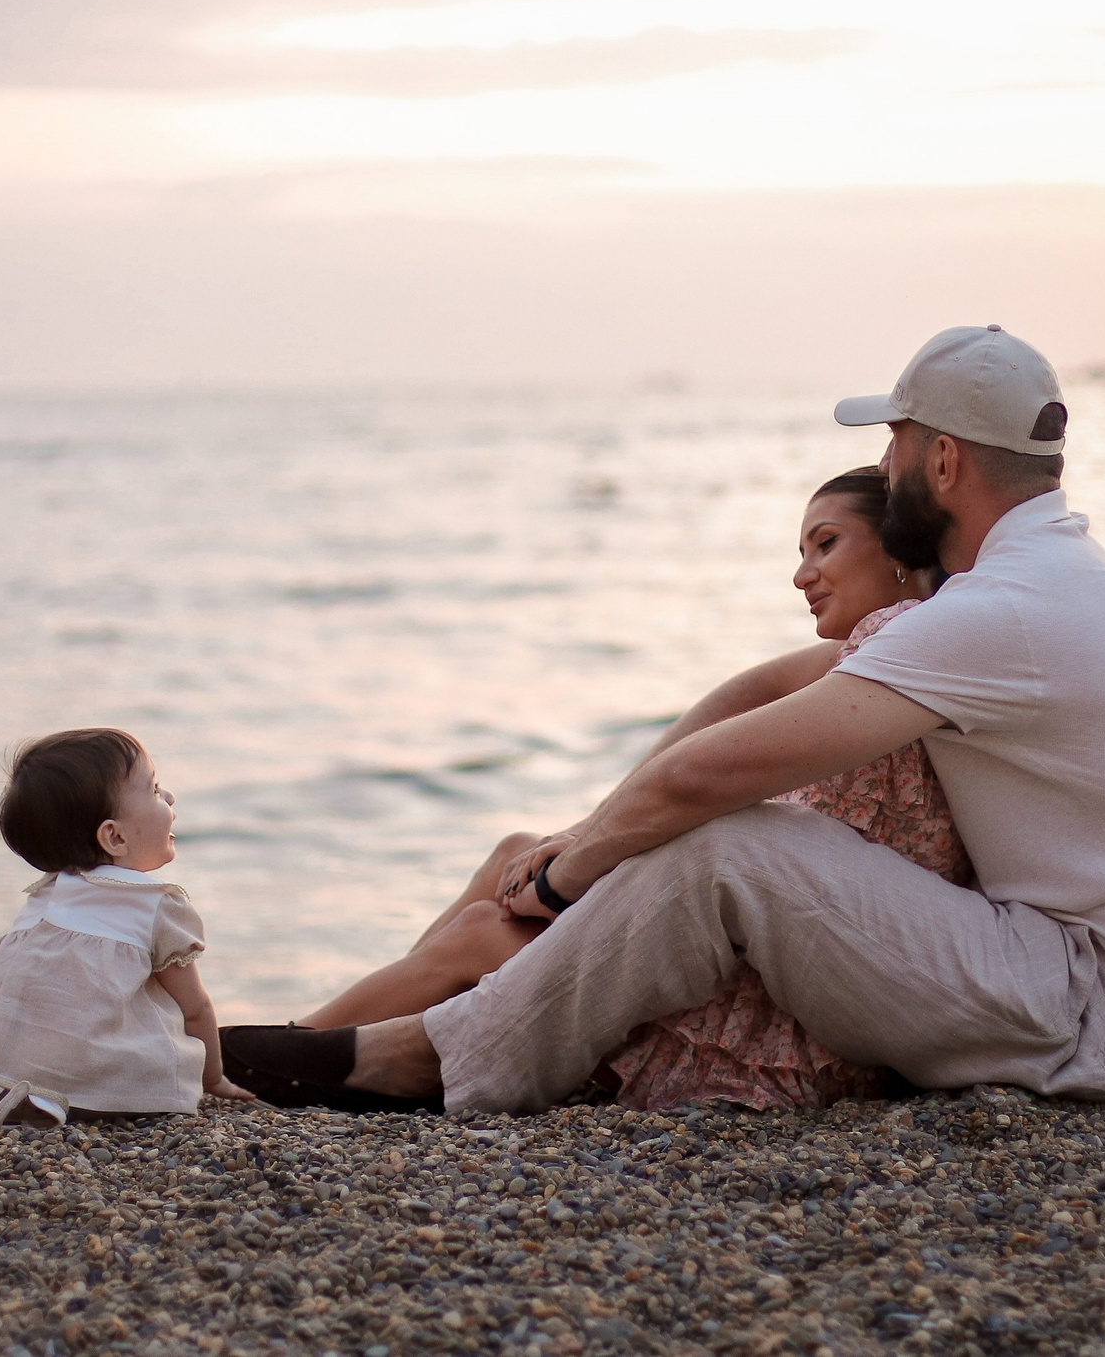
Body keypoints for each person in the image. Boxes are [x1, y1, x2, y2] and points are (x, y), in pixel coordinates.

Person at [224, 325, 1105, 1113]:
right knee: (715, 841)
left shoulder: (1005, 611)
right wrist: (586, 840)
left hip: (1104, 1019)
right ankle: (406, 1036)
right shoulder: (1055, 587)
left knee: (735, 843)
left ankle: (426, 1057)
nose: (887, 463)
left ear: (943, 462)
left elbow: (706, 780)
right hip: (1089, 987)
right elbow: (755, 695)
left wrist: (561, 879)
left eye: (895, 441)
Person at [278, 468, 971, 1113]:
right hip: (763, 961)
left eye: (826, 543)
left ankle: (277, 1054)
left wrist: (584, 859)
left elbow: (721, 800)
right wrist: (588, 829)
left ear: (897, 550)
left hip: (778, 1016)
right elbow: (747, 692)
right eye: (800, 549)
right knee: (516, 850)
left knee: (483, 933)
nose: (801, 574)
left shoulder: (900, 641)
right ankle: (307, 1045)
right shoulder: (882, 653)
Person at [0, 727, 251, 1125]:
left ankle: (21, 1092)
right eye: (155, 789)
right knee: (153, 1056)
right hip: (99, 1071)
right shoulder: (155, 904)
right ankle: (71, 1097)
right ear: (114, 836)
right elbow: (195, 1007)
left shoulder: (48, 895)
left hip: (5, 1060)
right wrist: (212, 1078)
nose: (170, 797)